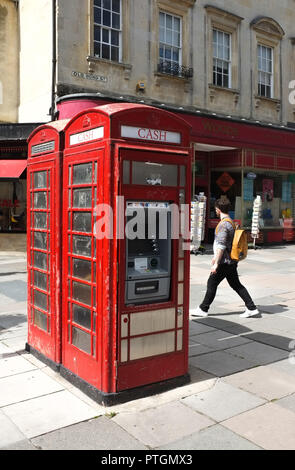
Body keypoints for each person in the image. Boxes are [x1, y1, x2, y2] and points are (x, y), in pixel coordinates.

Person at [191, 197, 259, 319]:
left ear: (217, 209)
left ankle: (203, 308)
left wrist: (216, 262)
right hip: (231, 261)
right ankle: (251, 307)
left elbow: (221, 245)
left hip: (224, 261)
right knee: (236, 284)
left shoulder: (223, 224)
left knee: (212, 282)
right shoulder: (231, 222)